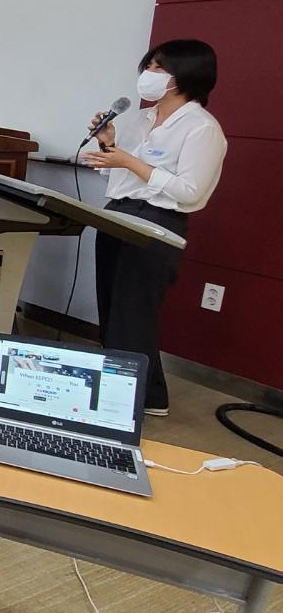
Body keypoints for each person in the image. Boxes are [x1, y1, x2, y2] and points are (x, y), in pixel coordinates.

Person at [80, 39, 227, 416]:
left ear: (185, 75)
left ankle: (136, 399)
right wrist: (109, 147)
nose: (149, 73)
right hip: (118, 213)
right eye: (149, 66)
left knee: (134, 313)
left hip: (157, 222)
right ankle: (135, 393)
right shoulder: (142, 119)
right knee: (112, 307)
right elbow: (121, 176)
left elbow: (191, 192)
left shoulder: (202, 128)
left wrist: (130, 162)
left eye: (159, 68)